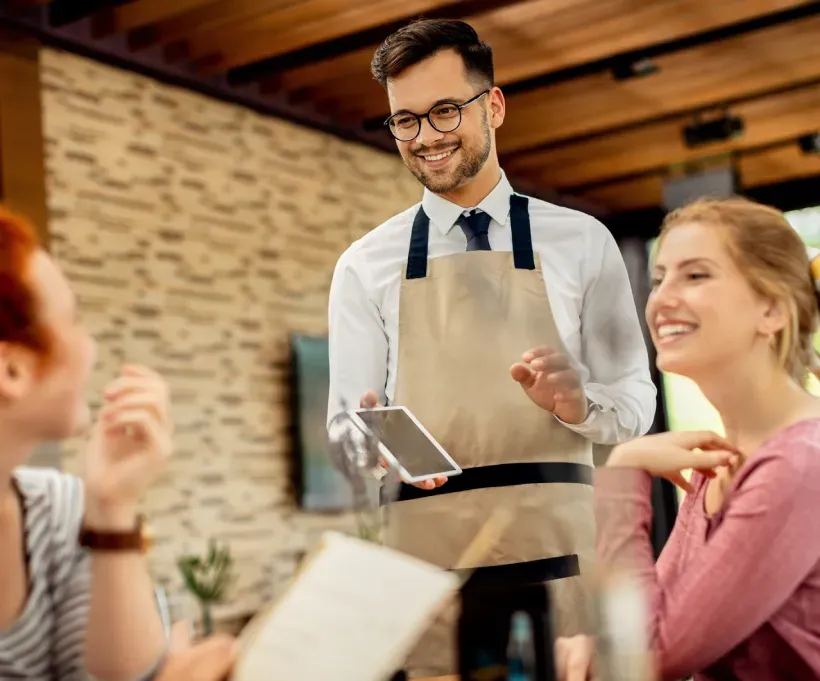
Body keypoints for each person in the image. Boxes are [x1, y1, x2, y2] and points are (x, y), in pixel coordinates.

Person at [326, 18, 656, 678]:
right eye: (406, 120)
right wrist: (369, 440)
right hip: (427, 575)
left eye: (445, 110)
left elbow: (635, 403)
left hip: (562, 558)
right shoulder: (364, 265)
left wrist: (576, 403)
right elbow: (344, 433)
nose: (426, 137)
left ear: (494, 105)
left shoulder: (583, 243)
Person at [555, 197, 820, 681]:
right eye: (658, 280)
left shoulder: (800, 466)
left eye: (695, 276)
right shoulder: (720, 462)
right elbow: (641, 629)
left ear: (772, 311)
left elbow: (651, 657)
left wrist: (624, 466)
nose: (661, 300)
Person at [0, 205, 172, 679]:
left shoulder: (59, 509)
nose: (88, 347)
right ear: (11, 370)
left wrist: (111, 505)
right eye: (72, 320)